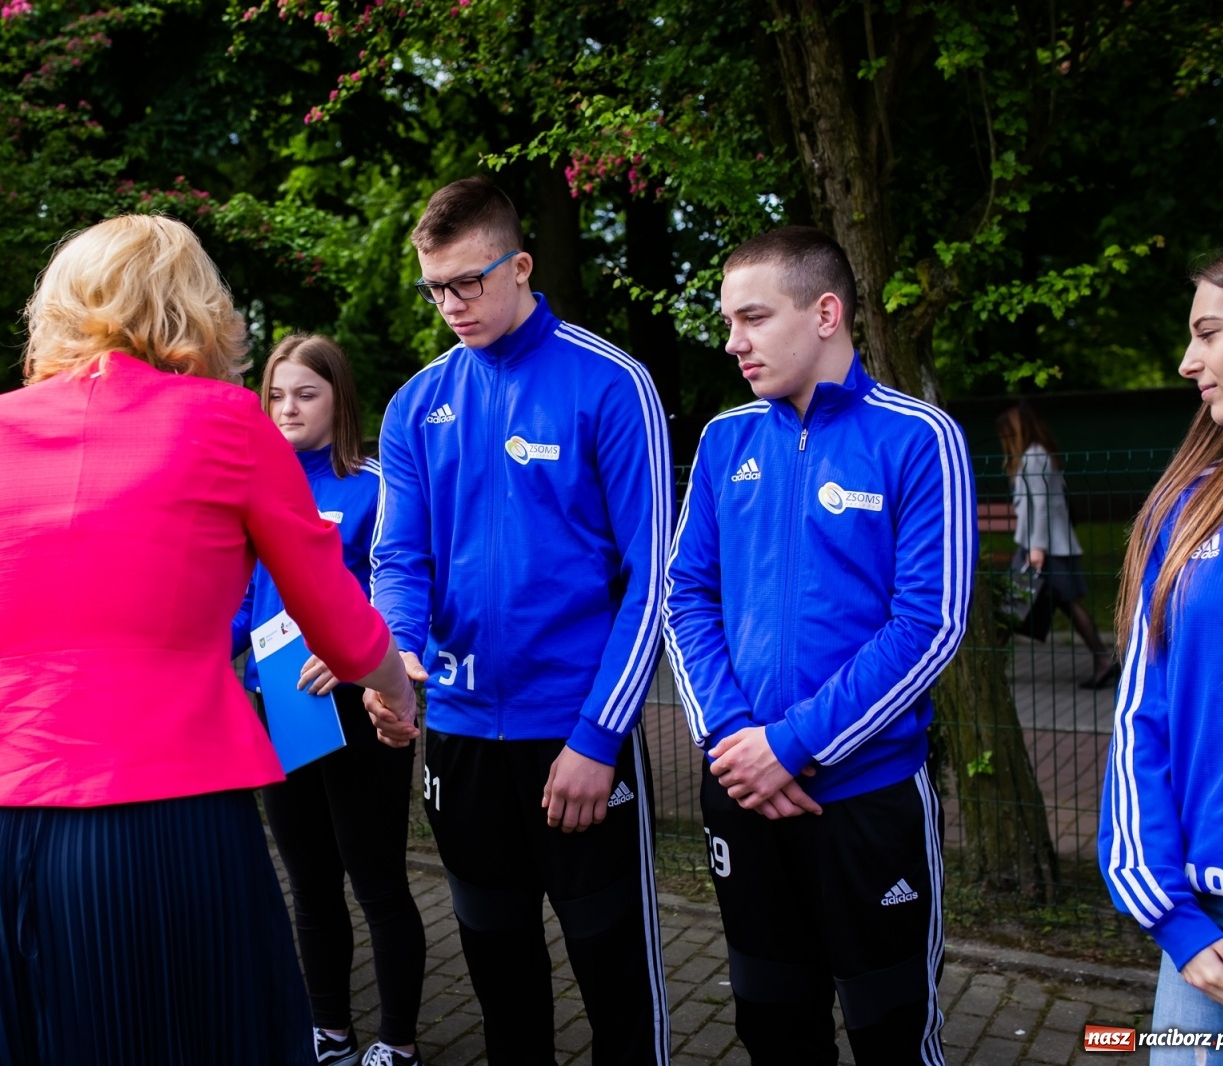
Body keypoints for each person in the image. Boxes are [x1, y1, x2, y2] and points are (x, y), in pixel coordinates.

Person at [0, 214, 417, 1064]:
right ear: (196, 308)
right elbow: (335, 615)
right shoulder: (227, 420)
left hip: (11, 817)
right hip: (175, 811)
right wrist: (396, 689)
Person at [368, 177, 673, 1066]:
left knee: (614, 979)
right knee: (502, 984)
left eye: (468, 282)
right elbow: (400, 559)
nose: (451, 306)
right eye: (434, 288)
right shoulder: (415, 404)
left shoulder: (611, 383)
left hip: (577, 741)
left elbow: (651, 581)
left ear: (522, 265)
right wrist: (397, 660)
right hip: (461, 740)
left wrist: (598, 736)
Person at [664, 226, 974, 1065]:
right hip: (743, 791)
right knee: (772, 1031)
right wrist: (736, 742)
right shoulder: (726, 441)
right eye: (729, 321)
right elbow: (683, 593)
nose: (734, 342)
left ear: (826, 313)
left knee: (889, 1034)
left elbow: (929, 625)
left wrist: (793, 746)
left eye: (754, 318)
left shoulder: (919, 438)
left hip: (865, 802)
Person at [231, 333, 426, 1066]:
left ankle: (397, 1043)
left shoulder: (374, 487)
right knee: (309, 885)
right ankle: (331, 1032)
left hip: (359, 708)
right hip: (278, 709)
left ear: (338, 399)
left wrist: (354, 656)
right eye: (276, 394)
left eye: (305, 394)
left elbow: (403, 595)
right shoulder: (254, 489)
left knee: (376, 883)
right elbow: (240, 603)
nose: (287, 408)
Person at [1100, 240, 1223, 1062]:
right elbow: (1141, 720)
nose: (1188, 361)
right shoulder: (1187, 511)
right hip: (1207, 932)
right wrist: (1174, 921)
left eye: (1208, 330)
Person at [995, 401, 1117, 689]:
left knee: (1015, 603)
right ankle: (1103, 659)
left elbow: (1041, 506)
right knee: (1044, 603)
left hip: (1042, 546)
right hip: (1044, 543)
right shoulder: (1036, 454)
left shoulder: (1034, 455)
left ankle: (990, 667)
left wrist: (1036, 548)